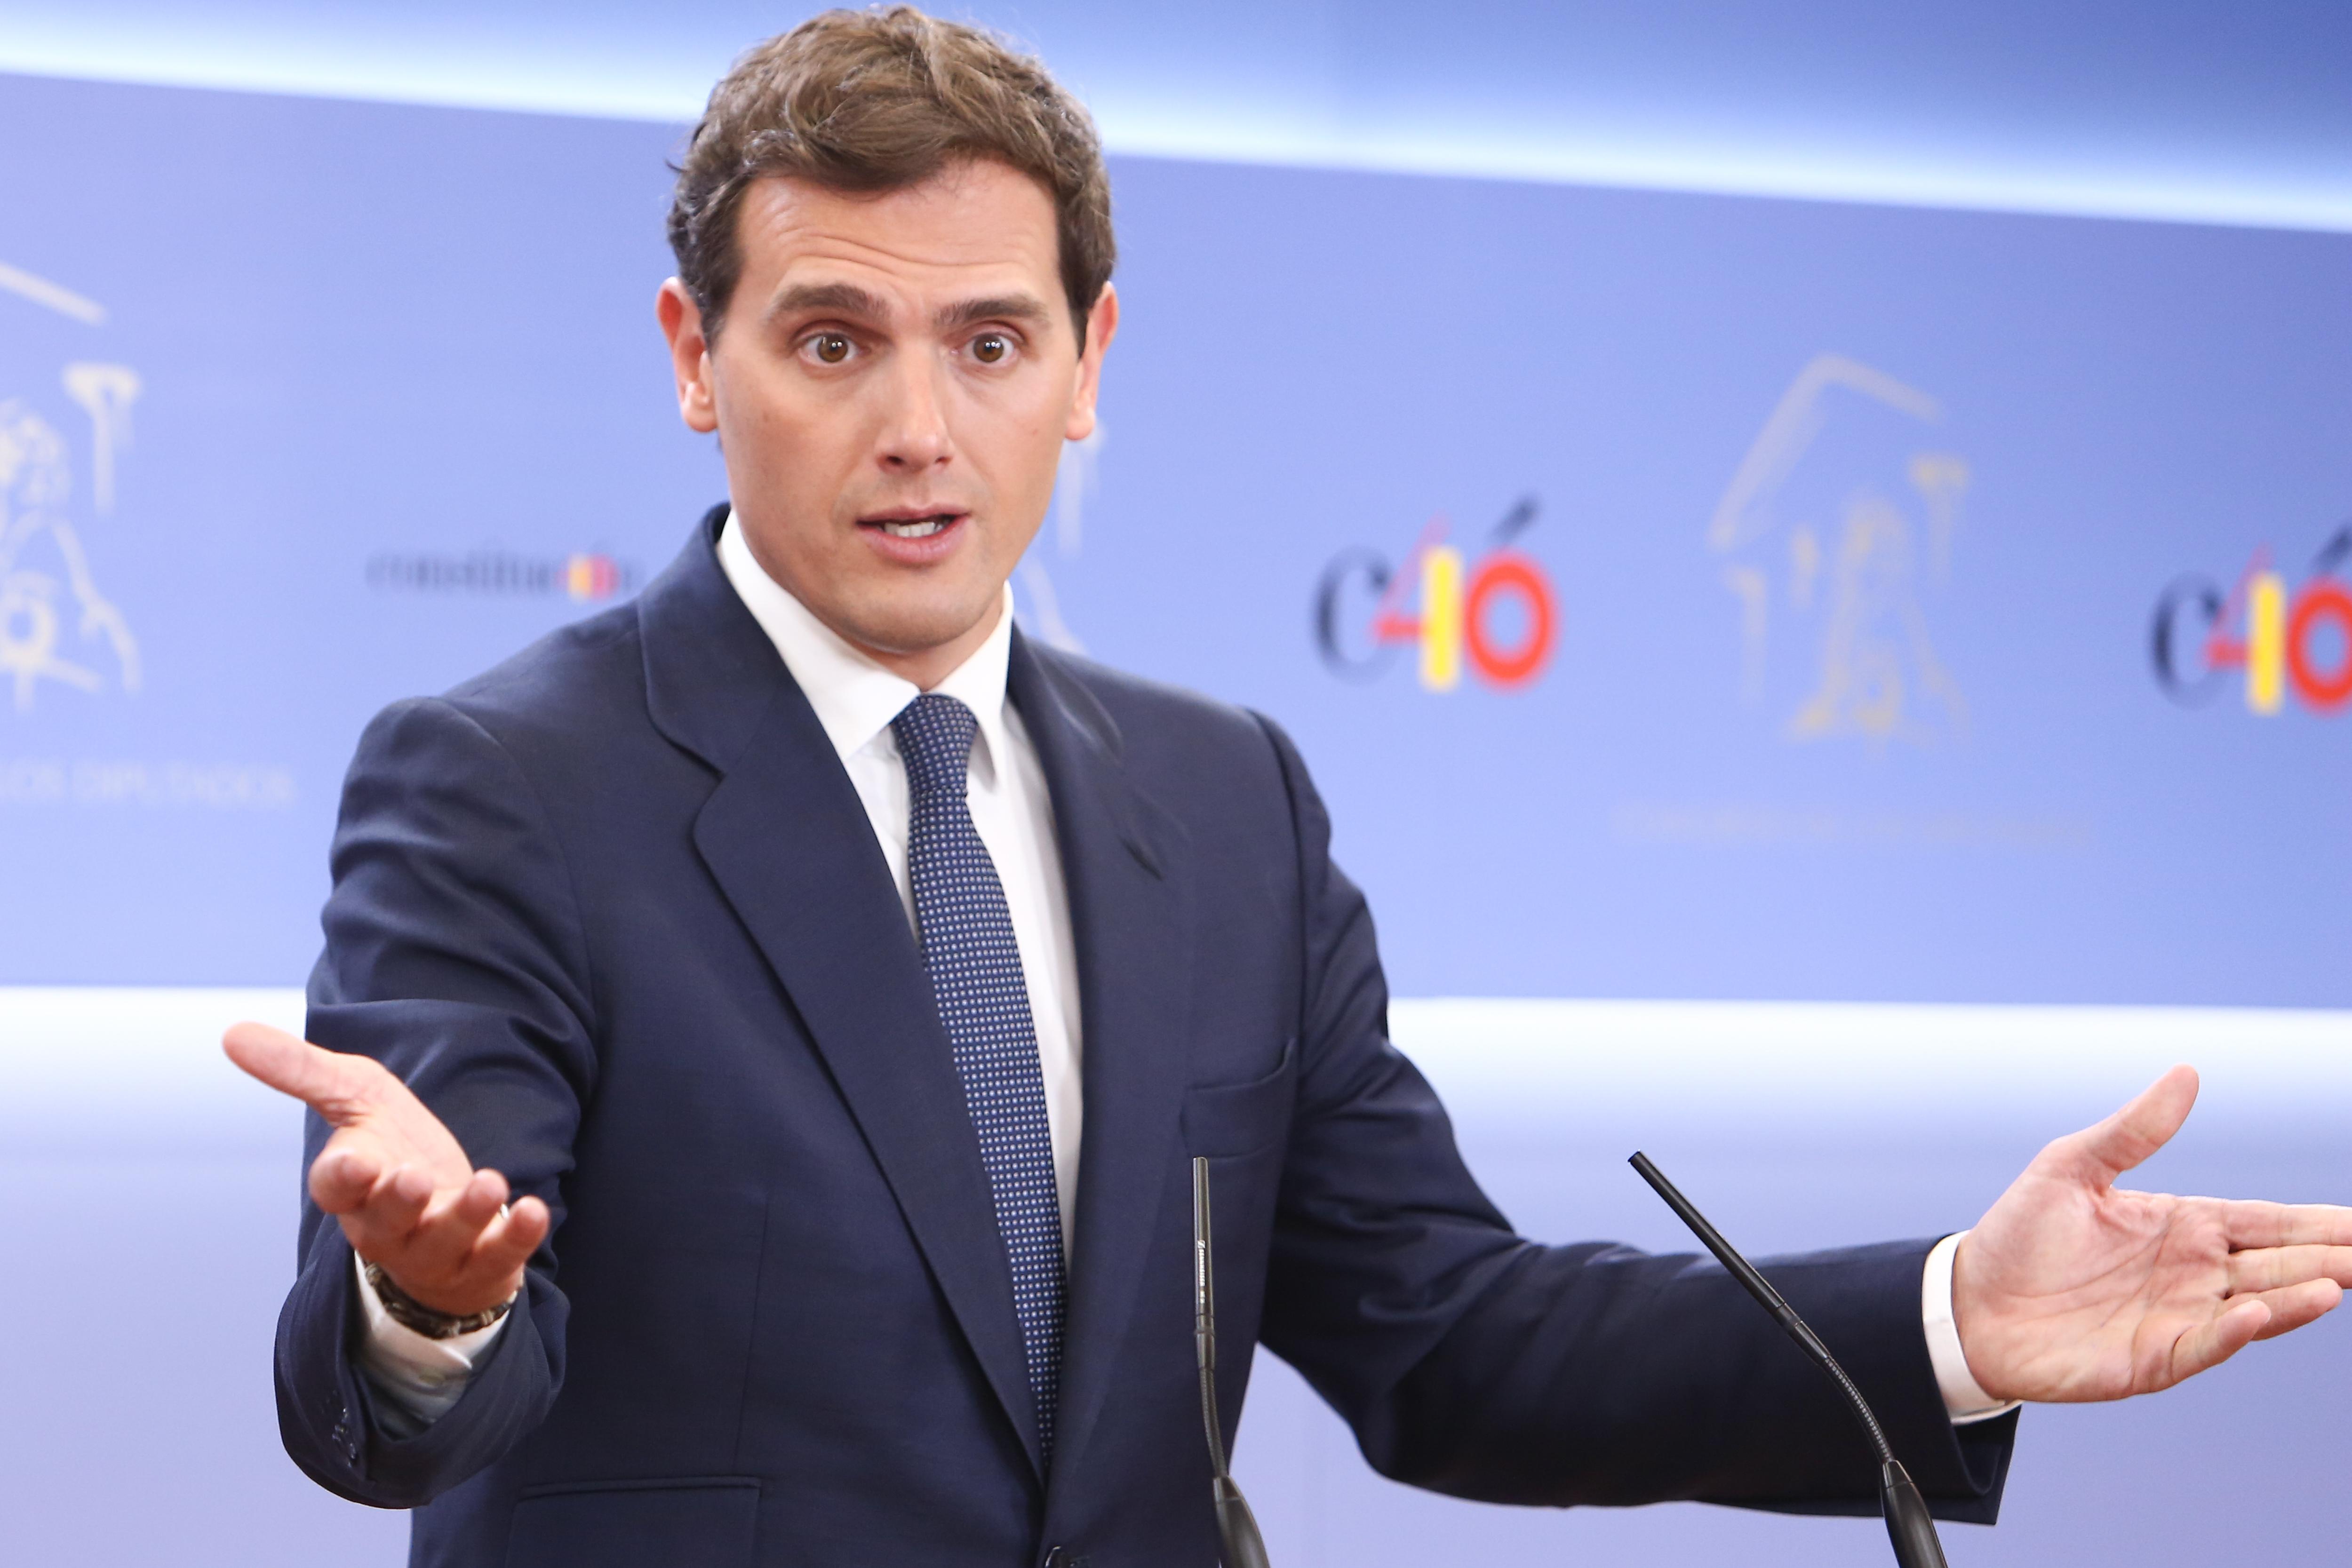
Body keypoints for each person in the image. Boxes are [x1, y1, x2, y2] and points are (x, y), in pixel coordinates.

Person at [226, 10, 2352, 1566]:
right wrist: (432, 1300)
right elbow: (391, 1421)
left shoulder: (1223, 799)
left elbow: (1445, 1339)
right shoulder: (504, 782)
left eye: (985, 345)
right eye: (827, 339)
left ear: (1088, 365)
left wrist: (1946, 1320)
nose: (915, 430)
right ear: (695, 360)